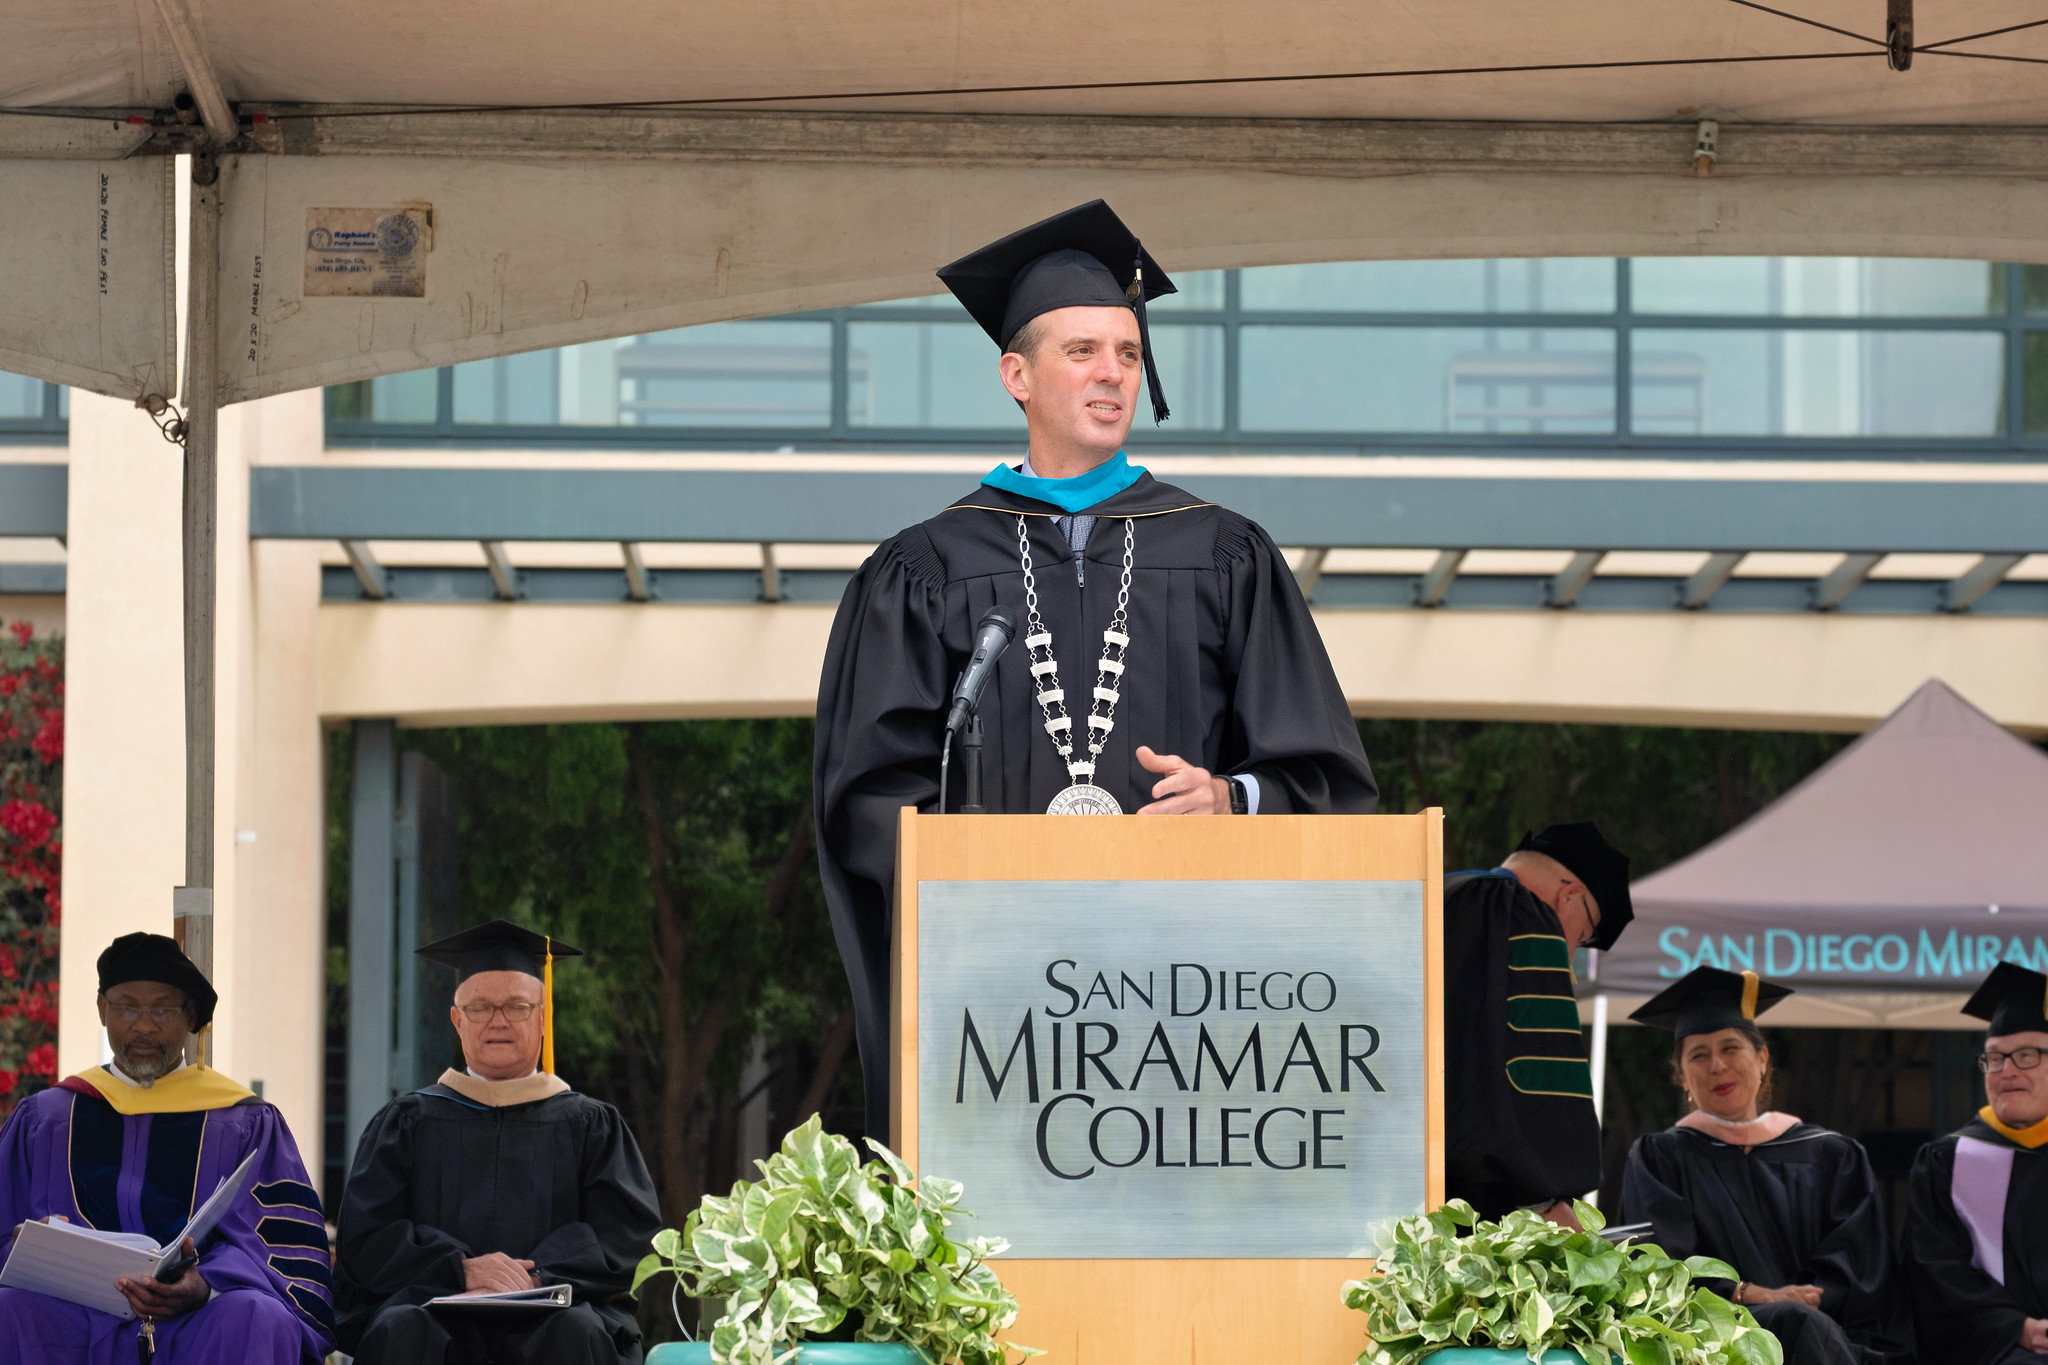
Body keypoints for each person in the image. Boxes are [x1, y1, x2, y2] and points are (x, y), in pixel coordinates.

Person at [815, 200, 1378, 1137]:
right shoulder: (928, 566)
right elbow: (867, 791)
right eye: (1081, 351)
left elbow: (1326, 778)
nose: (1112, 372)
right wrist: (972, 868)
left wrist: (1232, 800)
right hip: (998, 1000)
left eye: (1126, 351)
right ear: (1017, 375)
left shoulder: (1223, 552)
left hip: (1190, 1006)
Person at [334, 920, 662, 1365]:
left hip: (552, 1314)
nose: (498, 1021)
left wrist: (534, 1278)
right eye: (480, 1007)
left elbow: (626, 1238)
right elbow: (365, 1239)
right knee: (399, 1328)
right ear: (457, 1020)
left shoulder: (589, 1125)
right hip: (435, 1313)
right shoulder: (408, 1122)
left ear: (543, 1019)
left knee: (580, 1330)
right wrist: (458, 1270)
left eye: (517, 1007)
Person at [0, 932, 334, 1363]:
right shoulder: (45, 1119)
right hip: (72, 1314)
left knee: (257, 1315)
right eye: (127, 1007)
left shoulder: (243, 1121)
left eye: (162, 1009)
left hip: (198, 1321)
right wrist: (31, 1247)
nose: (143, 1025)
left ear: (190, 1015)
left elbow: (281, 1249)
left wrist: (206, 1285)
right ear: (102, 1010)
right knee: (10, 1309)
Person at [1622, 967, 1912, 1365]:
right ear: (1683, 1078)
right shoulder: (1660, 1159)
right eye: (1699, 1056)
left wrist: (1800, 1305)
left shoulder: (1831, 1156)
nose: (1717, 1066)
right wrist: (1751, 1295)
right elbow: (1659, 1270)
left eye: (1730, 1048)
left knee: (1804, 1323)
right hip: (1712, 1344)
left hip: (1831, 1338)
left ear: (1762, 1059)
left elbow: (1862, 1278)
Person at [1442, 822, 1632, 1226]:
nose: (1570, 953)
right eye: (1582, 935)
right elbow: (1518, 1078)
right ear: (1570, 895)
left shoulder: (1438, 890)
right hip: (1475, 1207)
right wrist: (1540, 1198)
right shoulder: (1520, 912)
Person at [1902, 961, 2048, 1365]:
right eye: (1995, 1058)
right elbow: (1935, 1277)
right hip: (2000, 1354)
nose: (2007, 1071)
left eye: (2026, 1055)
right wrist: (2020, 1329)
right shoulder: (1948, 1163)